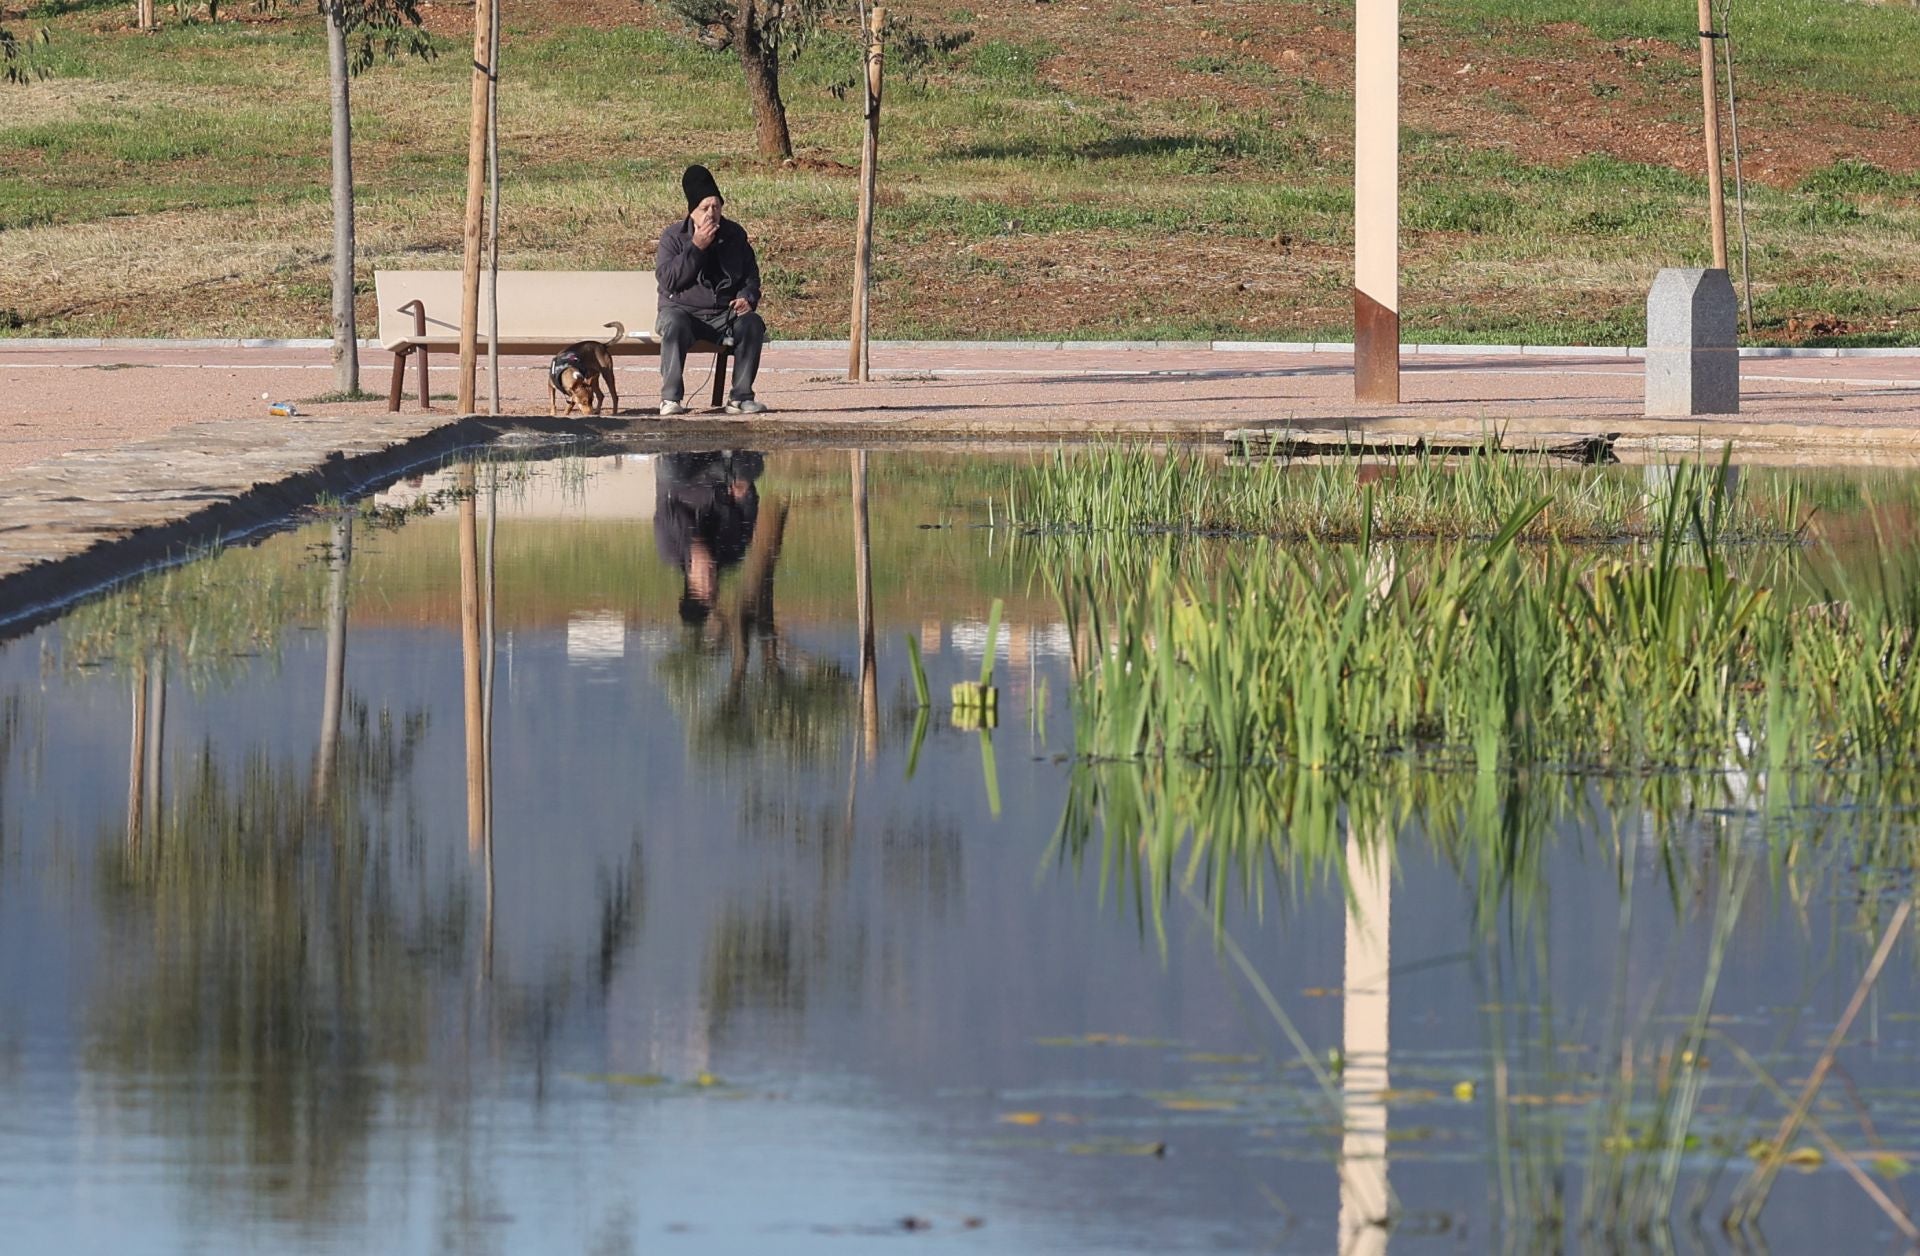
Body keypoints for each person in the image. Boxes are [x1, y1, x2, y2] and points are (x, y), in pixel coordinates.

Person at [656, 165, 769, 417]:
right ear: (692, 211)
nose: (711, 214)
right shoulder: (673, 237)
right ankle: (670, 399)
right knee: (672, 323)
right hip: (684, 312)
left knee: (752, 324)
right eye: (704, 208)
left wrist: (747, 297)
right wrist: (696, 247)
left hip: (724, 314)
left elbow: (751, 276)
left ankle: (741, 398)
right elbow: (669, 280)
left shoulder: (734, 235)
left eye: (716, 207)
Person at [654, 450, 765, 625]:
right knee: (748, 470)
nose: (710, 576)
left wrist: (694, 542)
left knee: (671, 471)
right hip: (723, 475)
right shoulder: (733, 553)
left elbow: (667, 505)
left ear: (690, 581)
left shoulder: (669, 551)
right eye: (713, 584)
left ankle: (680, 440)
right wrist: (744, 494)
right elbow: (750, 511)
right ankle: (736, 441)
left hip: (687, 476)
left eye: (703, 582)